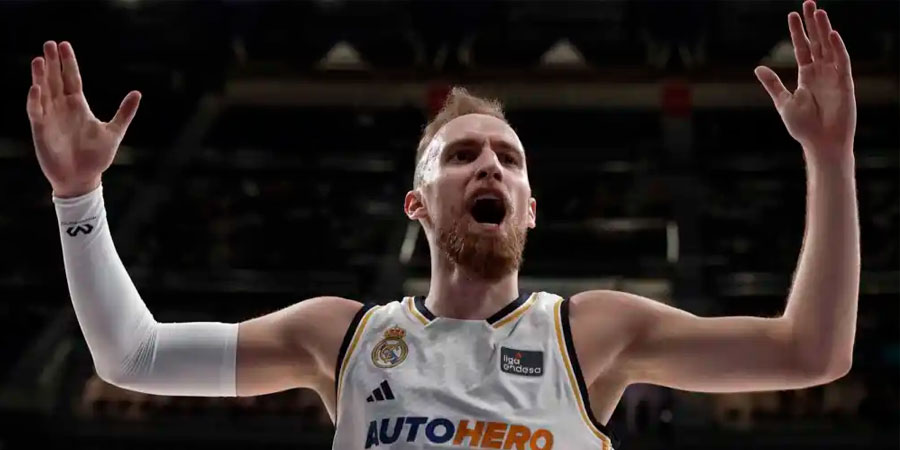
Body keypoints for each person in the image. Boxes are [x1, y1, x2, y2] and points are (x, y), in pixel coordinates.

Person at [27, 1, 858, 449]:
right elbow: (133, 356)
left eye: (509, 158)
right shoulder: (340, 337)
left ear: (530, 207)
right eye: (462, 155)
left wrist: (829, 157)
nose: (490, 165)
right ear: (417, 203)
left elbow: (812, 352)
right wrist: (79, 197)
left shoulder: (594, 331)